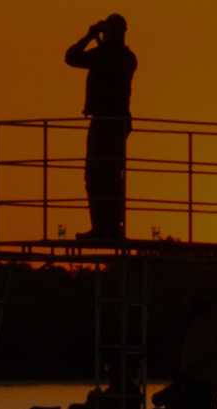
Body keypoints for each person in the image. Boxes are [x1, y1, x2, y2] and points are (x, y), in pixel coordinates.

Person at [65, 15, 137, 241]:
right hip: (110, 121)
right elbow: (76, 58)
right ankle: (106, 226)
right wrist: (94, 38)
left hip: (110, 121)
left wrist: (94, 38)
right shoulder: (117, 55)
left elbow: (74, 57)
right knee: (103, 175)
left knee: (103, 176)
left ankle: (108, 228)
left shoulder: (117, 56)